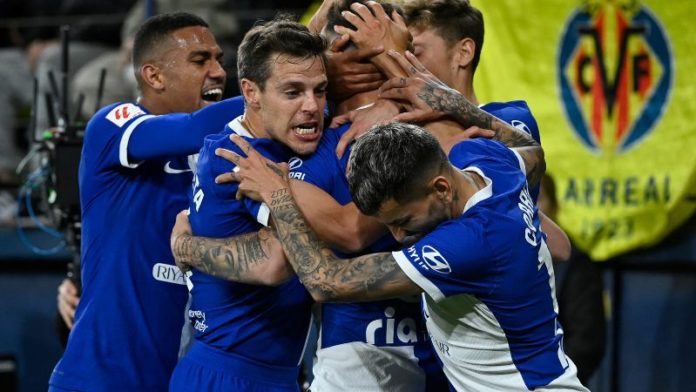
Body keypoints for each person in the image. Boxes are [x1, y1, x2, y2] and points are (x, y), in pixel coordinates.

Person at [48, 12, 248, 392]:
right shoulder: (114, 124)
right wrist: (273, 94)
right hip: (98, 383)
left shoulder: (227, 157)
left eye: (218, 59)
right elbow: (191, 129)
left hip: (183, 381)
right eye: (199, 60)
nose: (218, 71)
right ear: (153, 76)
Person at [168, 17, 328, 392]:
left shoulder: (275, 135)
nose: (313, 107)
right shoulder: (237, 157)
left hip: (273, 374)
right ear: (251, 93)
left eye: (320, 90)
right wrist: (184, 247)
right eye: (293, 92)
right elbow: (272, 264)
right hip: (228, 376)